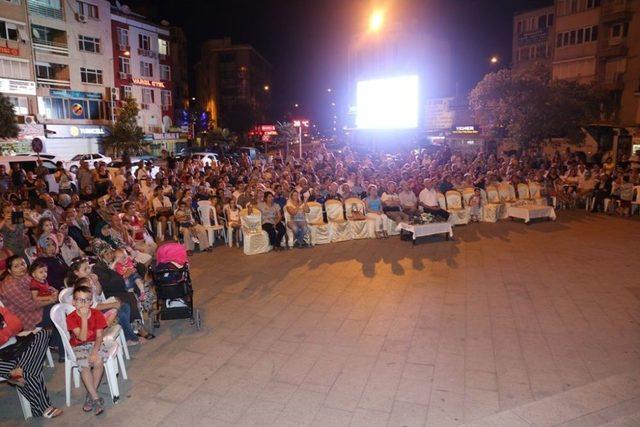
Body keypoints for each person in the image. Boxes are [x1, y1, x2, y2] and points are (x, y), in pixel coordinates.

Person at [0, 306, 63, 418]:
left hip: (16, 346)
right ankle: (43, 408)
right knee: (30, 370)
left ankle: (18, 369)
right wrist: (6, 331)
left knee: (44, 333)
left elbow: (17, 325)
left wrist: (6, 331)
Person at [0, 255, 63, 359]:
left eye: (23, 264)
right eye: (16, 266)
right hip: (25, 317)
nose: (21, 267)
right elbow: (29, 306)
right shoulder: (10, 286)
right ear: (9, 271)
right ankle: (63, 351)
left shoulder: (25, 276)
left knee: (58, 307)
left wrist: (53, 291)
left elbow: (42, 286)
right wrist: (51, 299)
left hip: (36, 308)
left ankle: (57, 342)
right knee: (56, 310)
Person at [66, 285, 109, 415]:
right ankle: (95, 398)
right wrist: (84, 318)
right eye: (79, 300)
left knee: (98, 362)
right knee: (85, 367)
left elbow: (99, 336)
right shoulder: (71, 318)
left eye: (87, 300)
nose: (83, 303)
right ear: (73, 302)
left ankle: (90, 395)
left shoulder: (97, 314)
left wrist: (95, 352)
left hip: (95, 343)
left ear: (91, 302)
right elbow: (82, 337)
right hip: (78, 345)